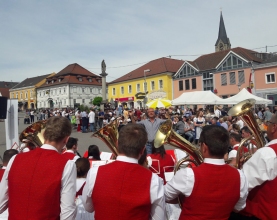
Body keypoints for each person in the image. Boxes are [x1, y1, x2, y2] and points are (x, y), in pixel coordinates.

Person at [82, 123, 166, 219]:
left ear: (117, 144)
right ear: (143, 150)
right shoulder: (155, 180)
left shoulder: (94, 172)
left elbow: (88, 208)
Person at [164, 125, 248, 219]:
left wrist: (182, 197)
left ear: (204, 147)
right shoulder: (240, 176)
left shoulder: (187, 175)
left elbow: (164, 196)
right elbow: (238, 207)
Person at [0, 116, 77, 219]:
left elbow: (1, 202)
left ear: (44, 134)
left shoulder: (15, 159)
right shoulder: (67, 165)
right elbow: (67, 212)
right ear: (66, 140)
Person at [239, 114, 277, 219]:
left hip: (264, 214)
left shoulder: (267, 153)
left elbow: (241, 186)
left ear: (274, 127)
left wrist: (233, 171)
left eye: (268, 124)